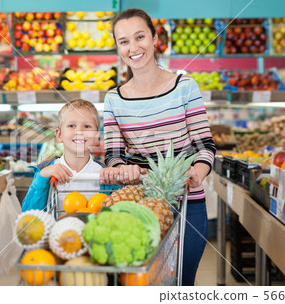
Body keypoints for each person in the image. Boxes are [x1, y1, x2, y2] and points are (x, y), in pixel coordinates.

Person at [101, 8, 216, 286]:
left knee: (181, 284)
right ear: (118, 48)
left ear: (154, 39)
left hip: (187, 203)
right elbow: (113, 155)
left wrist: (196, 174)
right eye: (124, 41)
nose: (133, 47)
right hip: (137, 204)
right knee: (139, 285)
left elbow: (205, 146)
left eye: (140, 37)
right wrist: (121, 169)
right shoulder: (114, 99)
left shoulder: (184, 86)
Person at [22, 99, 113, 213]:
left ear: (96, 136)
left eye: (87, 126)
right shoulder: (45, 172)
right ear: (59, 135)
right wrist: (42, 178)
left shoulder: (105, 175)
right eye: (71, 125)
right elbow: (28, 215)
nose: (79, 131)